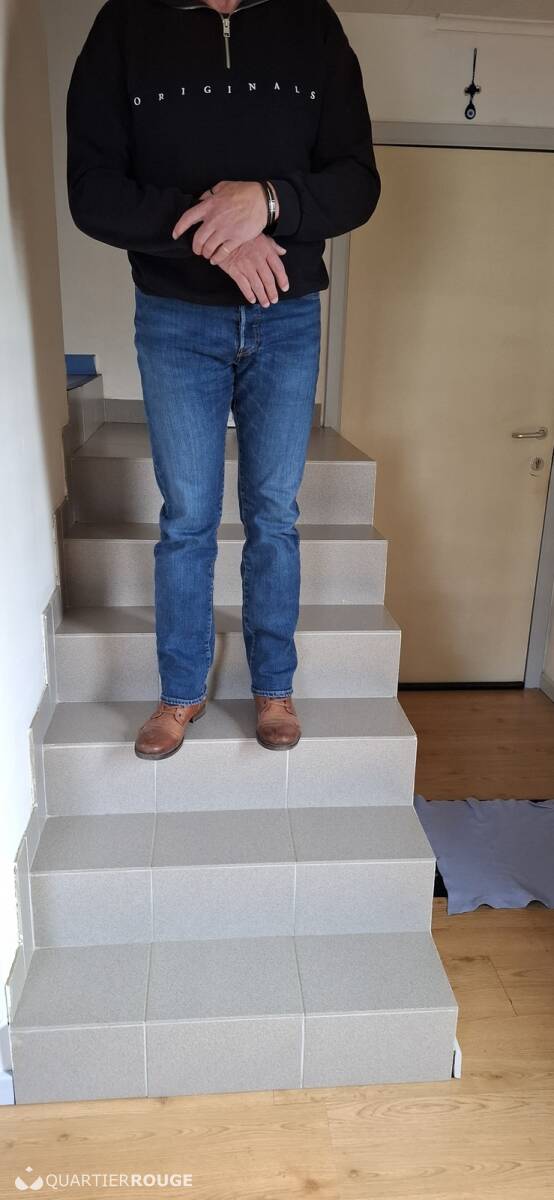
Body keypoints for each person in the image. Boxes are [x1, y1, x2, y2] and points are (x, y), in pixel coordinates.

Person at [66, 0, 381, 760]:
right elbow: (93, 191)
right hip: (176, 318)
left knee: (274, 512)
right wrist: (218, 233)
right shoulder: (125, 24)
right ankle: (181, 691)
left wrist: (266, 201)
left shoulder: (311, 22)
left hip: (286, 313)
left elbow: (357, 183)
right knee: (188, 518)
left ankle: (274, 685)